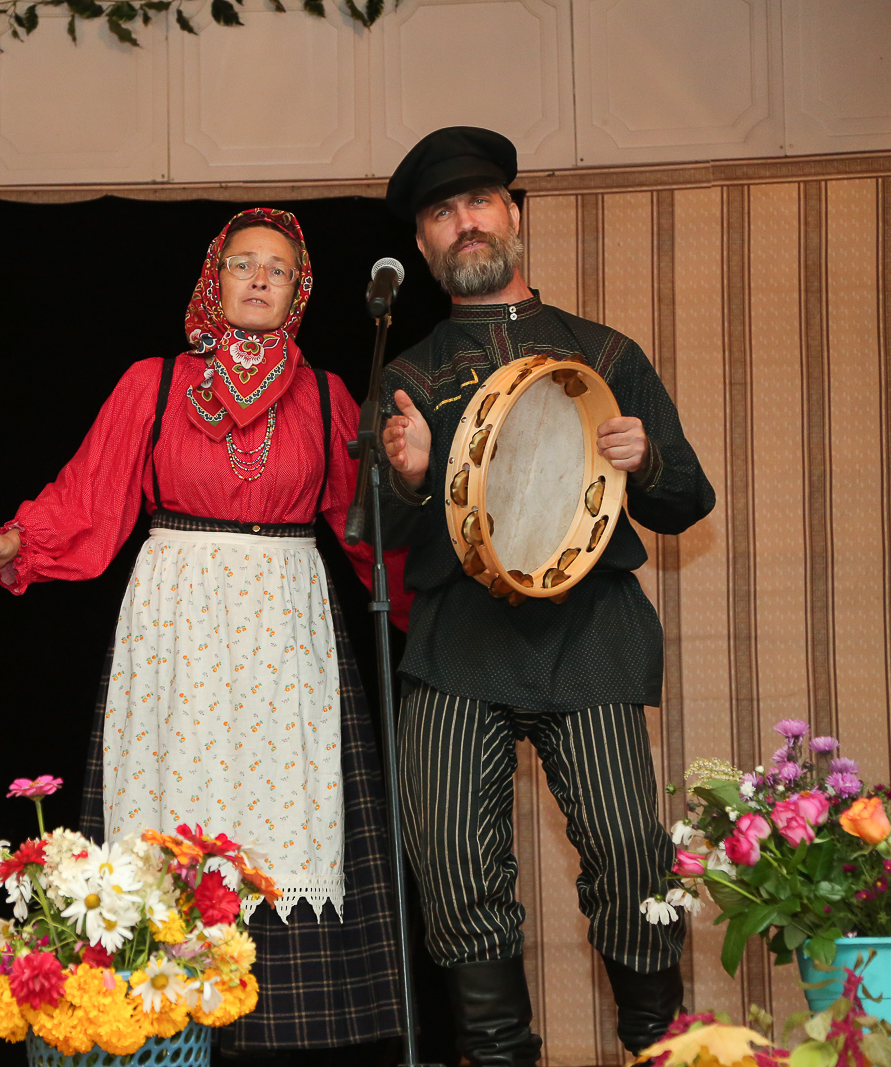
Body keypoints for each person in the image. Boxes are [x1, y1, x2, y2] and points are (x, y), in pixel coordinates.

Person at [0, 208, 406, 1057]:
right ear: (213, 279)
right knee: (171, 811)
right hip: (179, 624)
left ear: (300, 291)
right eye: (243, 263)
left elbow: (366, 532)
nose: (260, 277)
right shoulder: (153, 384)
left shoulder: (328, 395)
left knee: (285, 815)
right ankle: (162, 1029)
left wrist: (442, 599)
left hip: (284, 628)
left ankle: (278, 1027)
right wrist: (17, 543)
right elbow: (89, 498)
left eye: (279, 268)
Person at [374, 126, 716, 1067]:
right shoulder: (406, 375)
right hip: (458, 642)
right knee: (454, 865)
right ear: (424, 244)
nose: (465, 222)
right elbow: (376, 530)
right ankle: (497, 1054)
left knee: (630, 853)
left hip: (589, 633)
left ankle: (661, 1050)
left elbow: (688, 500)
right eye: (442, 213)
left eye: (480, 202)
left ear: (515, 215)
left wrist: (646, 459)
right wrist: (408, 476)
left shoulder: (602, 350)